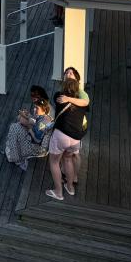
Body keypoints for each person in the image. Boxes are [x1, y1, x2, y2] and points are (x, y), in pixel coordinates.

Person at [46, 71, 89, 201]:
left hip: (61, 135)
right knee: (68, 160)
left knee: (54, 162)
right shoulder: (82, 101)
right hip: (75, 138)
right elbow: (85, 102)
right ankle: (70, 188)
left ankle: (58, 192)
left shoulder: (59, 96)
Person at [5, 96, 53, 170]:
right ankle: (13, 151)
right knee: (17, 124)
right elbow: (36, 123)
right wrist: (28, 116)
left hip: (35, 146)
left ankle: (15, 158)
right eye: (34, 107)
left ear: (44, 110)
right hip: (33, 135)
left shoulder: (44, 123)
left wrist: (29, 128)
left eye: (37, 108)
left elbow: (37, 140)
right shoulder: (43, 117)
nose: (34, 109)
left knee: (14, 127)